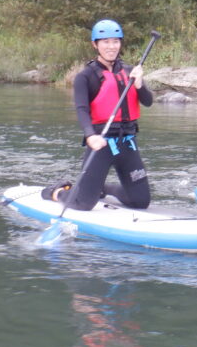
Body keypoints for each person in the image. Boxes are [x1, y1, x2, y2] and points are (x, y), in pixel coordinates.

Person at [43, 19, 153, 210]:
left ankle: (104, 188)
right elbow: (82, 109)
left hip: (127, 143)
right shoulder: (85, 76)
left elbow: (148, 101)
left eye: (115, 41)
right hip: (101, 144)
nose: (112, 46)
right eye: (106, 42)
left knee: (141, 201)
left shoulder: (130, 72)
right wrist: (90, 135)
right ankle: (57, 191)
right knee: (83, 203)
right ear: (95, 44)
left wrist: (139, 84)